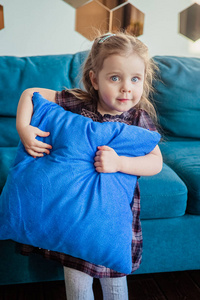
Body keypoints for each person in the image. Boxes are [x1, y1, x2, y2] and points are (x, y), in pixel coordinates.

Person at [16, 32, 163, 300]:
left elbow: (156, 162)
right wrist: (24, 128)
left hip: (113, 219)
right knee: (77, 281)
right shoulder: (79, 103)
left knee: (115, 284)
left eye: (135, 79)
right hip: (75, 216)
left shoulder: (138, 118)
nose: (126, 88)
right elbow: (31, 93)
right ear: (95, 79)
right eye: (115, 78)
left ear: (144, 81)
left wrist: (120, 162)